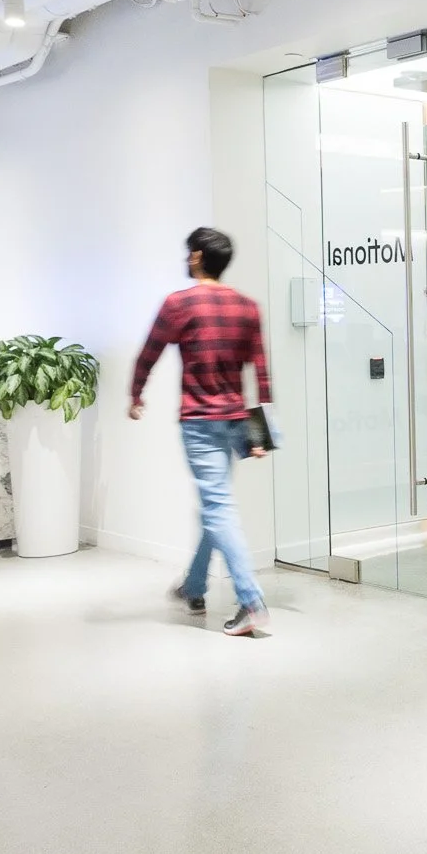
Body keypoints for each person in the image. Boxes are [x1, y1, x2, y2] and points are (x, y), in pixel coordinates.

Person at [130, 226, 272, 637]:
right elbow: (260, 372)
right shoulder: (247, 307)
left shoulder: (179, 304)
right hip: (235, 421)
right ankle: (194, 586)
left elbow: (148, 354)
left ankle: (251, 601)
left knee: (218, 508)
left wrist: (135, 395)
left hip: (200, 423)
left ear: (195, 257)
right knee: (217, 506)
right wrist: (260, 434)